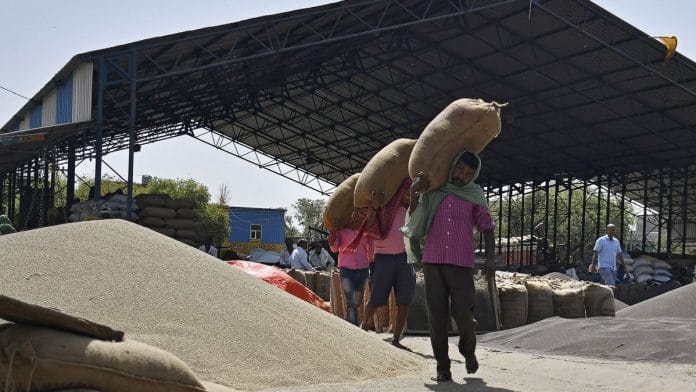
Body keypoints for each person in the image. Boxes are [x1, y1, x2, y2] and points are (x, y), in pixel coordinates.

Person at [402, 151, 496, 382]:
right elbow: (415, 218)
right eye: (460, 170)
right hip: (433, 261)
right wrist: (415, 192)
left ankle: (468, 350)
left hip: (462, 263)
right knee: (437, 316)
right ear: (452, 166)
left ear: (474, 176)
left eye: (469, 174)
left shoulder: (474, 195)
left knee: (464, 314)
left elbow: (487, 226)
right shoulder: (434, 191)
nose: (463, 176)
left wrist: (491, 258)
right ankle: (442, 368)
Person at [361, 179, 416, 351]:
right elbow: (368, 227)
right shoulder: (384, 208)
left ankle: (396, 338)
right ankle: (362, 330)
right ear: (400, 193)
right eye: (407, 193)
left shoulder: (411, 211)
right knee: (375, 298)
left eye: (411, 194)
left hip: (405, 259)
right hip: (383, 258)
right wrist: (375, 207)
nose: (409, 197)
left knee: (405, 300)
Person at [329, 221, 371, 326]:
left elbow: (370, 250)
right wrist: (333, 232)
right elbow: (334, 248)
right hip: (346, 271)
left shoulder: (366, 232)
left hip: (363, 270)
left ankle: (348, 324)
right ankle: (354, 329)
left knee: (356, 302)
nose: (357, 216)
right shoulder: (341, 231)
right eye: (355, 213)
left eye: (360, 212)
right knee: (351, 302)